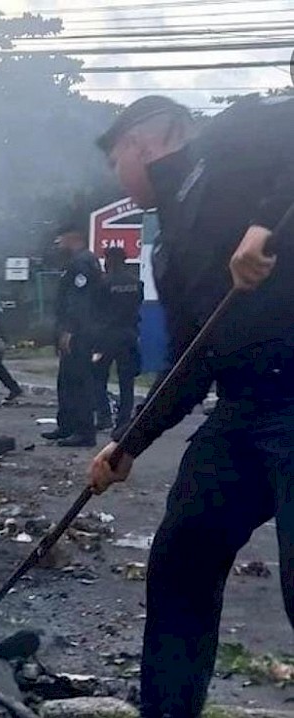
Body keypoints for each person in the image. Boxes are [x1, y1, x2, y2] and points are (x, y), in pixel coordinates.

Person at [88, 95, 294, 718]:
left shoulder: (236, 138)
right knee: (180, 561)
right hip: (241, 411)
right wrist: (126, 446)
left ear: (145, 143)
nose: (117, 177)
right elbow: (189, 365)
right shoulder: (168, 245)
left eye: (117, 158)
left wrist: (265, 221)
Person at [43, 226, 102, 447]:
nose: (58, 243)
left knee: (79, 381)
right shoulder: (79, 261)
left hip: (79, 333)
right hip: (76, 330)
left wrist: (69, 330)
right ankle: (66, 426)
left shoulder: (82, 263)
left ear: (74, 238)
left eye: (61, 239)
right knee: (66, 380)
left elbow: (80, 302)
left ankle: (84, 431)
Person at [93, 247, 144, 429]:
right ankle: (123, 420)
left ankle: (104, 416)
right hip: (129, 336)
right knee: (127, 380)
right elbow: (137, 307)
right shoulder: (136, 283)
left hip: (105, 337)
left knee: (97, 376)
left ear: (109, 261)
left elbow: (96, 311)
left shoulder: (103, 284)